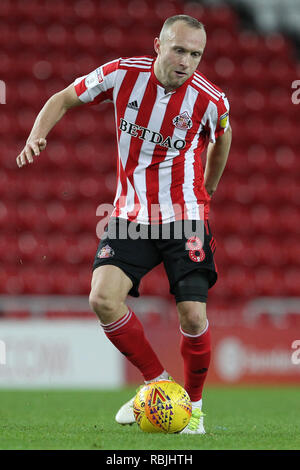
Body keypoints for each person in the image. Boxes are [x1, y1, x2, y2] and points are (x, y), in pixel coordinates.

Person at [17, 14, 232, 434]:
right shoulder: (121, 74)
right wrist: (35, 135)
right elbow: (63, 97)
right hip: (130, 215)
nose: (187, 61)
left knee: (191, 315)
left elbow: (222, 136)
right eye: (179, 49)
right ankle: (158, 384)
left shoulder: (211, 99)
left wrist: (207, 188)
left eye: (196, 54)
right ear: (158, 45)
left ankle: (196, 411)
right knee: (102, 298)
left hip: (183, 215)